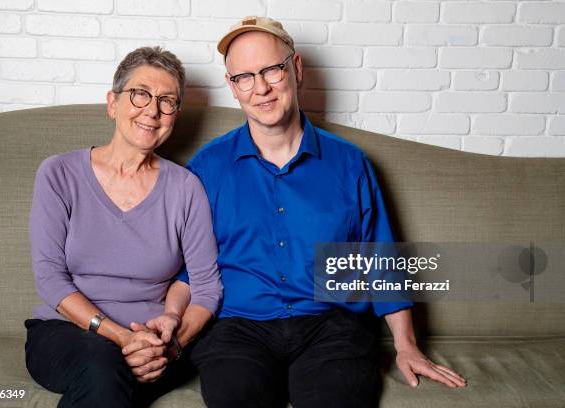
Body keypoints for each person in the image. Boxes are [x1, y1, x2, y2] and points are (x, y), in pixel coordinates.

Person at [175, 17, 466, 408]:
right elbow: (186, 266)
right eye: (244, 76)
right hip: (238, 328)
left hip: (332, 328)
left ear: (295, 69)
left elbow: (380, 258)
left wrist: (406, 344)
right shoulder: (207, 168)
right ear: (232, 86)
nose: (260, 88)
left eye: (271, 70)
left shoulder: (350, 163)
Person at [24, 46, 222, 408]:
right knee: (104, 365)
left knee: (111, 377)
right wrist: (119, 338)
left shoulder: (186, 187)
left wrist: (171, 340)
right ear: (112, 103)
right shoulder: (58, 173)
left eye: (167, 101)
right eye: (140, 94)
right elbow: (50, 279)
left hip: (155, 344)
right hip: (67, 333)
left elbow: (207, 286)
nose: (153, 110)